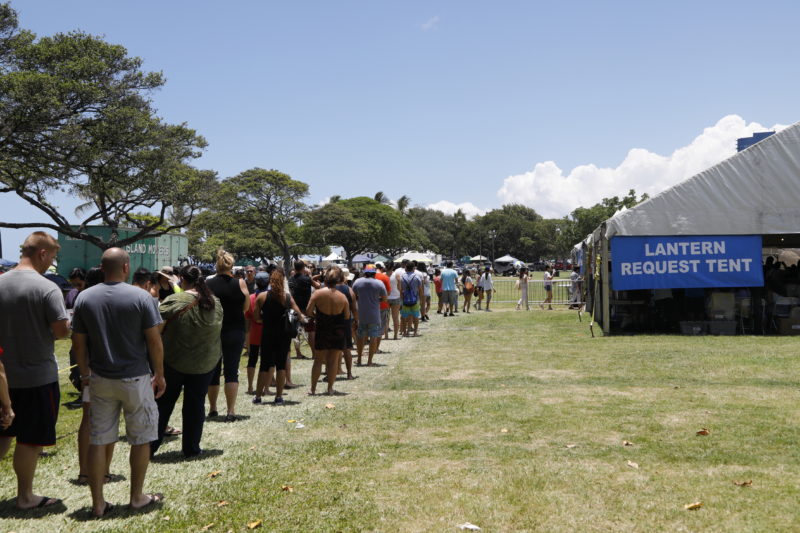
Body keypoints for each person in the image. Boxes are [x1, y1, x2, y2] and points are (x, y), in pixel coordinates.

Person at [71, 247, 166, 517]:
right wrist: (159, 374)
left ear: (102, 268)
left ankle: (98, 503)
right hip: (135, 378)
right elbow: (153, 340)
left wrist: (85, 374)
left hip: (100, 378)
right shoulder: (141, 297)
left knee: (99, 439)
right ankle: (137, 497)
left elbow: (78, 343)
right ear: (126, 267)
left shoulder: (84, 298)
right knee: (141, 438)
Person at [0, 232, 70, 510]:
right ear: (42, 253)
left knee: (3, 434)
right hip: (36, 377)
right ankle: (25, 496)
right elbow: (61, 330)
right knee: (29, 440)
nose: (52, 262)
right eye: (52, 256)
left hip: (3, 377)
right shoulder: (47, 288)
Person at [151, 266, 223, 458]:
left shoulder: (174, 300)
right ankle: (192, 448)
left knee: (163, 403)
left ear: (182, 279)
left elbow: (155, 330)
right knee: (196, 405)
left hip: (174, 361)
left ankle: (150, 447)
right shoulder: (215, 302)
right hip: (205, 363)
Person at [206, 249, 249, 421]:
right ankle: (231, 411)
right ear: (231, 265)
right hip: (235, 330)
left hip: (214, 331)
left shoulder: (208, 284)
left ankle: (213, 408)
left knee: (213, 371)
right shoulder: (240, 283)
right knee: (232, 371)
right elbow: (245, 308)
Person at [254, 269, 306, 404]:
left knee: (264, 366)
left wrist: (265, 319)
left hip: (267, 334)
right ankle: (278, 396)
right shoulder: (287, 297)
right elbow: (299, 315)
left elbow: (256, 317)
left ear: (270, 281)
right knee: (281, 365)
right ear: (283, 281)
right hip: (283, 334)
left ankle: (258, 396)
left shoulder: (262, 297)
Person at [306, 267, 350, 395]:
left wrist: (316, 316)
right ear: (338, 280)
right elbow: (347, 316)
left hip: (322, 328)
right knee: (333, 360)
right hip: (338, 329)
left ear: (325, 279)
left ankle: (313, 389)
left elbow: (308, 311)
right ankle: (330, 388)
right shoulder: (342, 297)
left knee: (318, 360)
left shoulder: (318, 294)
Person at [352, 264, 387, 366]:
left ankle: (359, 360)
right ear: (374, 273)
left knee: (360, 337)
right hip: (374, 314)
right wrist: (376, 300)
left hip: (361, 314)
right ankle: (369, 361)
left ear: (365, 272)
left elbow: (353, 297)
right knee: (373, 338)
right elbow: (384, 299)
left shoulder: (357, 282)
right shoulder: (379, 283)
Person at [290, 261, 320, 359]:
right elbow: (317, 286)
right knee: (311, 330)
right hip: (307, 308)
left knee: (296, 332)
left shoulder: (290, 279)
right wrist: (310, 275)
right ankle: (314, 354)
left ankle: (298, 353)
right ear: (303, 268)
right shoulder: (307, 279)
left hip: (294, 308)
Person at [245, 272, 269, 394]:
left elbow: (248, 316)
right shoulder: (270, 296)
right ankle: (266, 388)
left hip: (255, 330)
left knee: (252, 359)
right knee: (267, 360)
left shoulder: (251, 297)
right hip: (268, 332)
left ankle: (250, 387)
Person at [335, 268, 357, 380]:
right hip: (345, 321)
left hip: (330, 321)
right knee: (346, 349)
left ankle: (333, 372)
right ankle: (349, 373)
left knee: (333, 350)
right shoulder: (348, 289)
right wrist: (357, 321)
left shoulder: (326, 288)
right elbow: (354, 308)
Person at [399, 262, 424, 337]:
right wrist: (421, 300)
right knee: (416, 317)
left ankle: (405, 332)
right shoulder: (417, 277)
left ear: (406, 268)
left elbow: (400, 290)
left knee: (404, 317)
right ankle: (415, 332)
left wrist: (402, 299)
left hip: (405, 300)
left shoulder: (402, 277)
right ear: (414, 268)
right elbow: (420, 290)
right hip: (415, 299)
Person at [375, 263, 392, 350]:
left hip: (368, 307)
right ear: (382, 268)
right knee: (380, 328)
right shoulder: (384, 277)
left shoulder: (363, 278)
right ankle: (376, 348)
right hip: (382, 305)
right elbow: (388, 293)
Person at [387, 262, 402, 340]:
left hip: (386, 297)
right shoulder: (396, 275)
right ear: (393, 267)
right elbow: (399, 287)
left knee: (386, 317)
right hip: (396, 296)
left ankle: (386, 335)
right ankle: (395, 335)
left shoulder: (383, 275)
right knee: (395, 317)